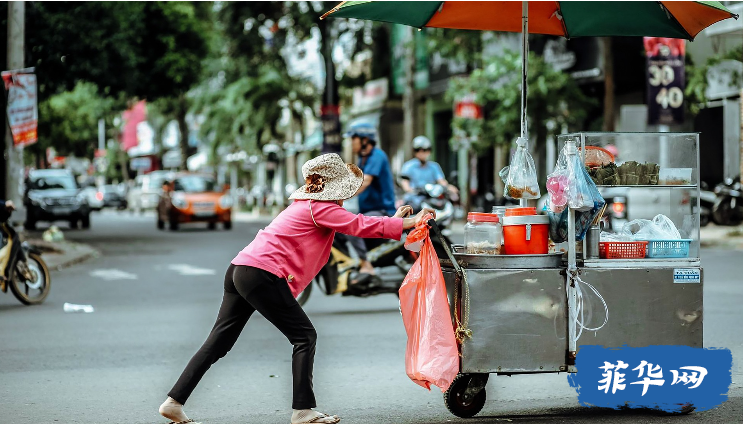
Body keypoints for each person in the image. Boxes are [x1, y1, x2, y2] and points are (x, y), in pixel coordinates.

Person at [159, 153, 434, 424]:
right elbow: (357, 225)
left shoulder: (308, 205)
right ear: (334, 189)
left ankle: (174, 402)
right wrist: (408, 222)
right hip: (261, 274)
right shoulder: (320, 207)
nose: (346, 196)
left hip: (240, 270)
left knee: (218, 342)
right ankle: (303, 410)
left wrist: (396, 220)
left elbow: (355, 223)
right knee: (304, 336)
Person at [342, 122, 397, 276]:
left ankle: (365, 264)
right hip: (368, 210)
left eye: (354, 139)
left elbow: (365, 181)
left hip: (382, 210)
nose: (351, 143)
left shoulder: (377, 156)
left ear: (365, 140)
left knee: (350, 225)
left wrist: (340, 196)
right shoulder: (363, 159)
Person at [400, 136, 459, 210]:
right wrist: (410, 190)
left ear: (429, 151)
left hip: (430, 197)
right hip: (414, 199)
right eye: (418, 150)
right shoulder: (408, 166)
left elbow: (441, 181)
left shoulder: (434, 166)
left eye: (424, 150)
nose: (421, 153)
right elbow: (405, 183)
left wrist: (449, 187)